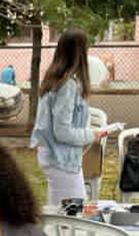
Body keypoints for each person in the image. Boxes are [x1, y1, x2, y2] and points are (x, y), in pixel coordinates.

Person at [30, 29, 106, 209]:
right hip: (61, 159)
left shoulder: (55, 80)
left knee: (58, 212)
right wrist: (92, 134)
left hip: (56, 158)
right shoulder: (67, 86)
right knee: (72, 216)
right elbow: (62, 131)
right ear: (80, 53)